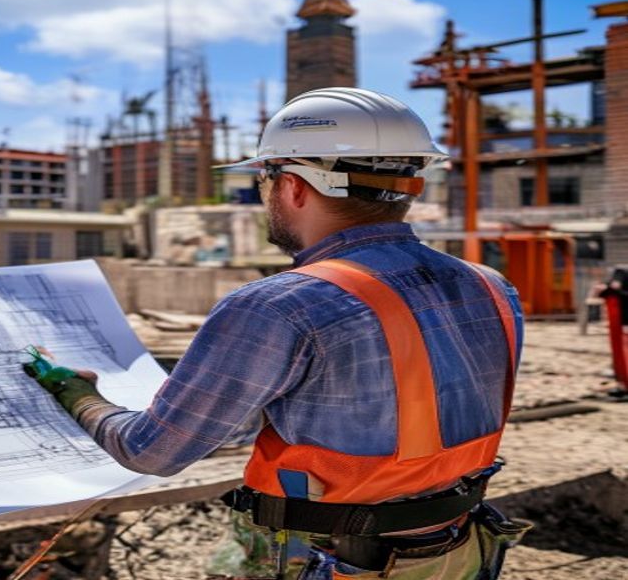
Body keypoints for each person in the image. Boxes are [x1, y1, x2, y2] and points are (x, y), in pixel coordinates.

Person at [30, 87, 531, 579]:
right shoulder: (491, 287)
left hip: (329, 562)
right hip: (458, 553)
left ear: (292, 185)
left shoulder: (280, 306)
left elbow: (152, 451)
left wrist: (77, 395)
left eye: (265, 180)